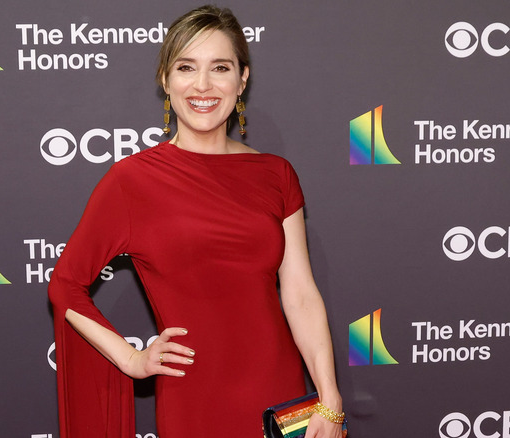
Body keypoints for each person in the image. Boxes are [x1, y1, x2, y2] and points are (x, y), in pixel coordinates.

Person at [48, 5, 343, 438]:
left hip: (281, 396)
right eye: (186, 67)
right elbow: (65, 285)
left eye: (219, 68)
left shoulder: (276, 174)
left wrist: (330, 400)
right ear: (166, 80)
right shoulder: (131, 181)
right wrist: (132, 359)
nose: (202, 85)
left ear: (241, 80)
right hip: (194, 400)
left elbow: (299, 294)